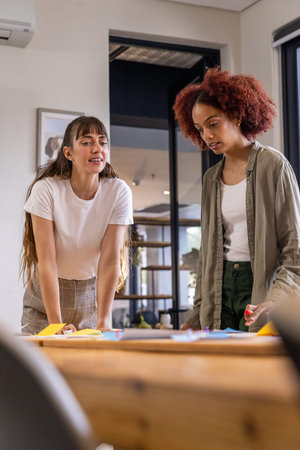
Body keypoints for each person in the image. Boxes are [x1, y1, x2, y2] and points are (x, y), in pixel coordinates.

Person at [174, 68, 300, 332]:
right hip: (219, 289)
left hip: (260, 285)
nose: (207, 136)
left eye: (213, 124)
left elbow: (294, 248)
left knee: (256, 367)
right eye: (200, 129)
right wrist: (197, 317)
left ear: (237, 115)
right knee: (219, 367)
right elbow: (207, 256)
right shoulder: (211, 179)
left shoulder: (273, 165)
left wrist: (275, 299)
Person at [20, 116, 133, 334]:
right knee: (42, 364)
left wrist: (104, 320)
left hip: (88, 298)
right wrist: (55, 323)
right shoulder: (46, 190)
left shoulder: (118, 192)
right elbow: (47, 262)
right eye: (86, 142)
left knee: (85, 366)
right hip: (45, 301)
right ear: (68, 153)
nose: (97, 149)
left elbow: (109, 261)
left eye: (102, 142)